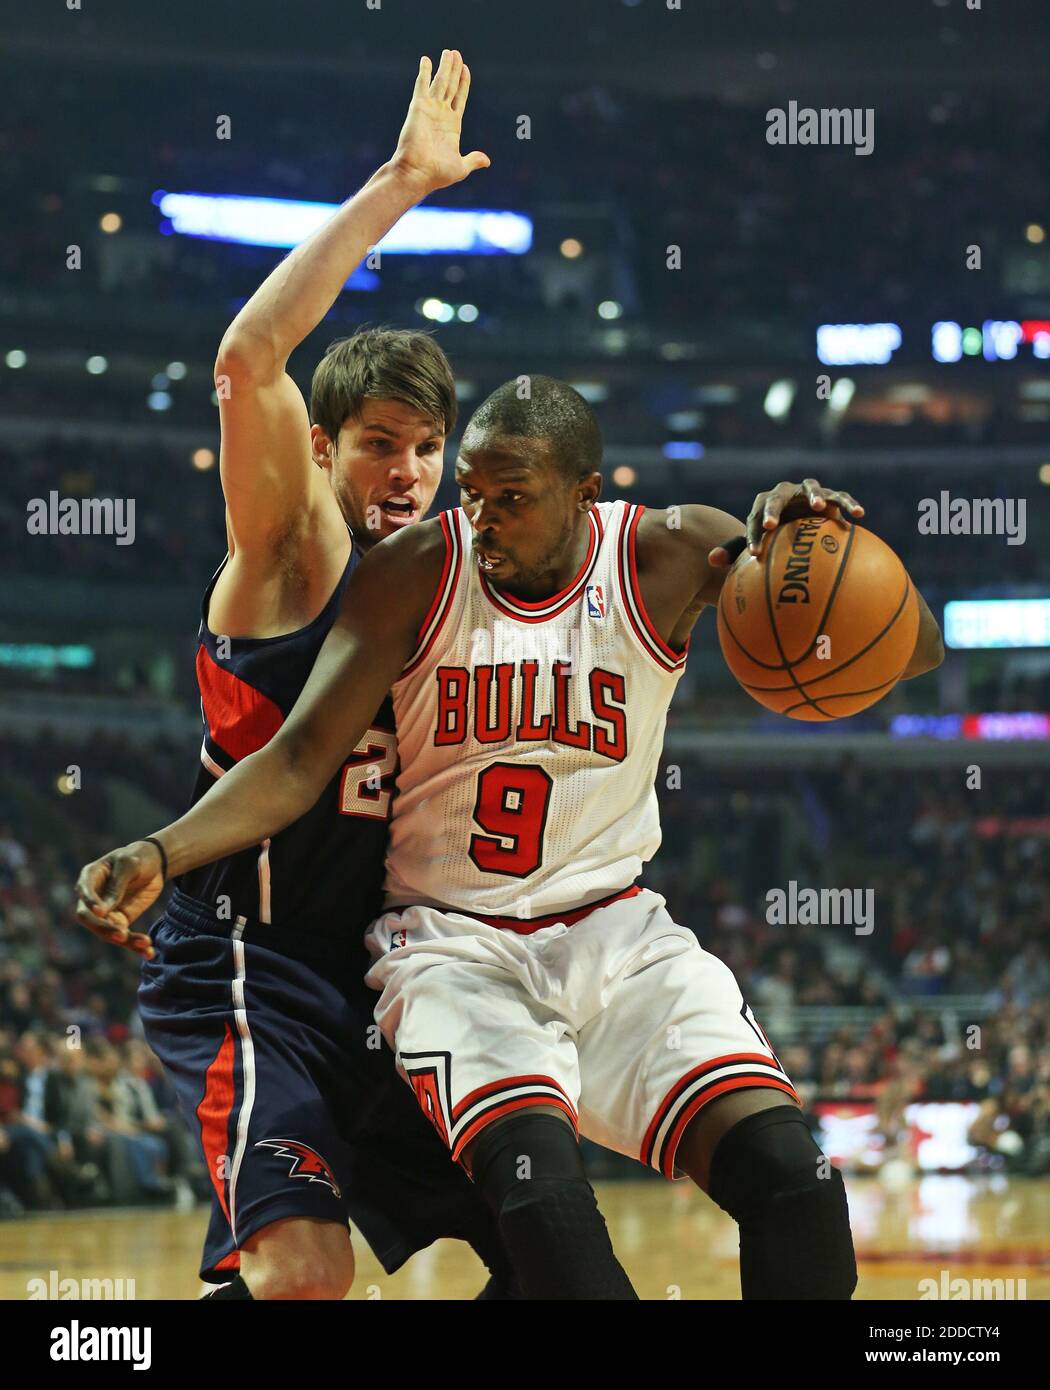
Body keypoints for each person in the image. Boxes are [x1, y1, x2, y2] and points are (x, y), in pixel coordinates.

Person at [77, 375, 944, 1292]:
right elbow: (296, 762)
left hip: (620, 938)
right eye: (472, 493)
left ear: (586, 494)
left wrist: (824, 543)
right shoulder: (413, 572)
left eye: (513, 498)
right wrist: (163, 848)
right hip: (454, 952)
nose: (483, 519)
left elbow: (915, 645)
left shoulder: (675, 552)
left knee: (796, 1185)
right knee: (549, 1216)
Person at [75, 49, 518, 1299]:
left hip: (377, 974)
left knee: (540, 1226)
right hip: (244, 957)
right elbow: (248, 357)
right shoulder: (295, 552)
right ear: (321, 450)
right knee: (313, 1274)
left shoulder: (441, 575)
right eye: (380, 444)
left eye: (428, 449)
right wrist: (398, 186)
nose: (407, 473)